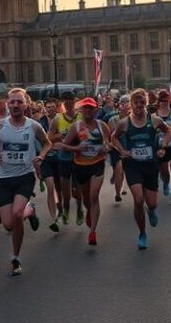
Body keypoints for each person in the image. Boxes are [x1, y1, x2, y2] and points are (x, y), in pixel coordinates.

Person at [0, 88, 51, 275]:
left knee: (16, 213)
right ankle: (30, 210)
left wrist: (41, 156)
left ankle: (15, 257)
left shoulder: (34, 126)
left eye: (19, 102)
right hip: (5, 177)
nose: (15, 105)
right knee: (8, 224)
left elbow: (47, 143)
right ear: (8, 104)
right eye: (12, 102)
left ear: (26, 105)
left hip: (25, 177)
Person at [112, 89, 171, 249]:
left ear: (146, 103)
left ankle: (151, 210)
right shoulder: (124, 123)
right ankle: (142, 233)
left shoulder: (154, 120)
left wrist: (163, 147)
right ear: (131, 104)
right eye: (136, 103)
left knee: (151, 203)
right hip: (133, 166)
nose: (139, 106)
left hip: (151, 165)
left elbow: (169, 131)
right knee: (138, 200)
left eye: (142, 102)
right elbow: (113, 138)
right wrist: (123, 151)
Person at [61, 97, 111, 245]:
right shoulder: (76, 127)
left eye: (91, 108)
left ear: (96, 109)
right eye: (86, 108)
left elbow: (109, 143)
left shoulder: (102, 126)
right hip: (81, 166)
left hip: (97, 164)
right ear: (81, 110)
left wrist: (106, 147)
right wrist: (76, 148)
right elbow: (64, 146)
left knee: (94, 196)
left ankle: (92, 232)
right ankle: (89, 210)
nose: (88, 111)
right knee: (87, 200)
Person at [50, 91, 84, 226]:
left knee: (78, 188)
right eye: (64, 102)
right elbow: (50, 137)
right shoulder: (58, 118)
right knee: (65, 187)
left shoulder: (81, 116)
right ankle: (66, 209)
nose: (67, 104)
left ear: (74, 101)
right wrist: (61, 135)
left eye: (69, 101)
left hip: (80, 157)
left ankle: (80, 208)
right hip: (64, 157)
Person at [37, 98, 62, 231]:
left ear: (56, 108)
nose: (50, 109)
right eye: (48, 107)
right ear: (45, 108)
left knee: (60, 187)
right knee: (50, 187)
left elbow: (65, 134)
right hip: (46, 158)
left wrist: (53, 137)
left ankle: (61, 206)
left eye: (53, 107)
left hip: (60, 158)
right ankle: (53, 218)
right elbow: (38, 141)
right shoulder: (40, 123)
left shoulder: (62, 120)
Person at [155, 90, 171, 204]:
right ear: (158, 102)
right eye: (162, 100)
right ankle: (165, 182)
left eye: (167, 100)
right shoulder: (154, 116)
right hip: (160, 148)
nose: (165, 103)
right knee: (164, 171)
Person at [107, 95, 130, 202]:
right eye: (123, 102)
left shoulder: (134, 118)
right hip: (116, 149)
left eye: (127, 102)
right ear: (119, 105)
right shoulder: (113, 120)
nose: (125, 105)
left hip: (129, 148)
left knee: (124, 170)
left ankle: (118, 179)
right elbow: (110, 137)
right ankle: (117, 193)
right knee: (119, 169)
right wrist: (112, 145)